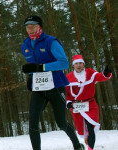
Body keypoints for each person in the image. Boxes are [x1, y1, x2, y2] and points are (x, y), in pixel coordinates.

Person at [21, 15, 84, 150]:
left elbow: (64, 63)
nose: (30, 29)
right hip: (38, 87)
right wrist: (31, 77)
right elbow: (32, 65)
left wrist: (41, 67)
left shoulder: (51, 42)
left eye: (33, 26)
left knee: (61, 122)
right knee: (33, 122)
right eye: (27, 27)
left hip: (56, 86)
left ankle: (77, 146)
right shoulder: (25, 45)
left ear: (40, 27)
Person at [66, 55, 112, 150]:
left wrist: (106, 73)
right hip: (76, 106)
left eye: (80, 63)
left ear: (83, 64)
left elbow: (100, 77)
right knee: (81, 130)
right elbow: (66, 92)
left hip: (90, 104)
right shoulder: (68, 77)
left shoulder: (90, 73)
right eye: (76, 63)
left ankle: (90, 148)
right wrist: (68, 102)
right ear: (73, 65)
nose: (78, 65)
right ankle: (85, 141)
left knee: (91, 128)